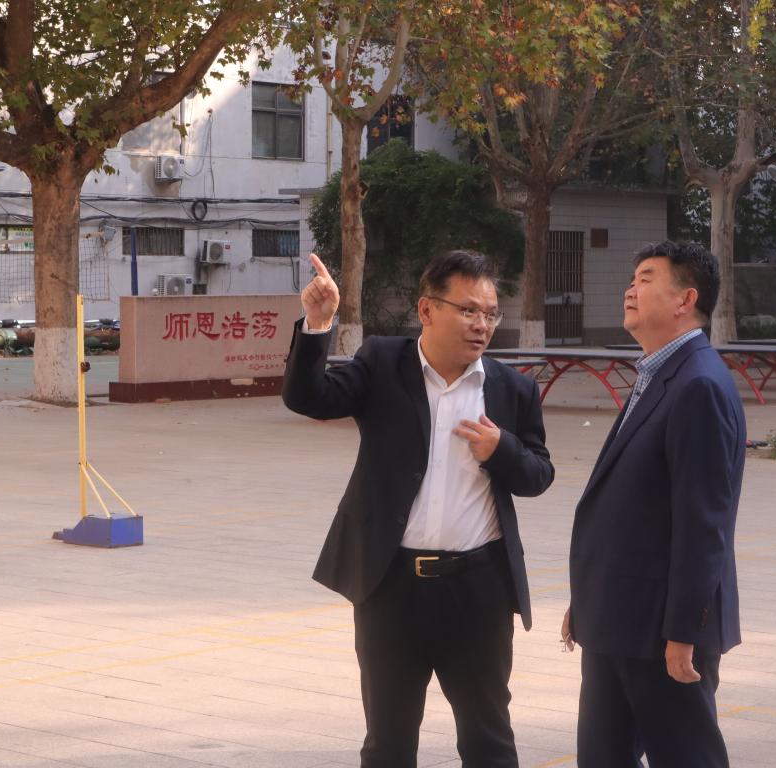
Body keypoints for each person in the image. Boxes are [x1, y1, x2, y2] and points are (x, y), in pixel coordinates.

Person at [282, 250, 554, 768]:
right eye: (468, 310)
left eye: (490, 313)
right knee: (388, 741)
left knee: (489, 739)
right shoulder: (383, 363)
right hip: (391, 586)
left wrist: (502, 449)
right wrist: (318, 324)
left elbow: (539, 474)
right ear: (427, 310)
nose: (482, 325)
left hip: (478, 588)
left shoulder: (511, 388)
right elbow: (310, 398)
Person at [561, 240, 746, 768]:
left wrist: (684, 631)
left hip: (661, 632)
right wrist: (590, 598)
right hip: (619, 616)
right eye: (633, 278)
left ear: (686, 299)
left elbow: (703, 523)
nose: (630, 289)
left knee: (686, 757)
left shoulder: (698, 385)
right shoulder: (659, 374)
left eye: (646, 279)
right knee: (602, 756)